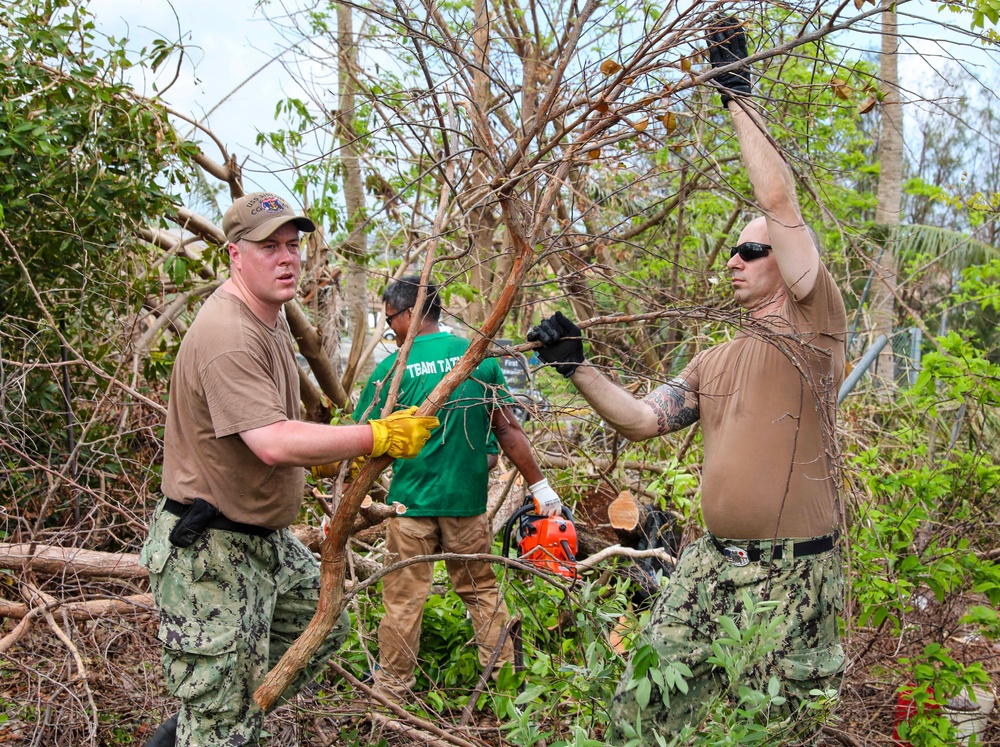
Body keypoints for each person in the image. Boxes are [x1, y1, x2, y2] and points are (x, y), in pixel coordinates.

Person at [527, 18, 847, 744]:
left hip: (790, 580)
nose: (734, 260)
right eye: (731, 251)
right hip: (709, 567)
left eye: (750, 249)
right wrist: (577, 365)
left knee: (772, 732)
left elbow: (780, 203)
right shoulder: (717, 357)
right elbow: (641, 419)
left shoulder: (815, 326)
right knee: (640, 711)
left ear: (785, 262)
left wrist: (737, 95)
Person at [139, 192, 438, 747]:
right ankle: (214, 718)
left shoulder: (269, 318)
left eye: (293, 245)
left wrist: (321, 459)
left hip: (261, 541)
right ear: (234, 254)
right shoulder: (228, 334)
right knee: (221, 715)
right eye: (269, 247)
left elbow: (272, 428)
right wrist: (376, 434)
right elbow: (273, 441)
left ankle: (211, 716)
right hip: (210, 549)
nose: (287, 258)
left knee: (318, 626)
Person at [354, 275, 563, 702]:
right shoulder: (476, 358)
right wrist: (540, 486)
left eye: (391, 318)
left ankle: (392, 693)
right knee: (482, 591)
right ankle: (507, 689)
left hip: (407, 508)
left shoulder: (390, 371)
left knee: (403, 600)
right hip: (466, 507)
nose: (391, 328)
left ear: (409, 314)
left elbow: (360, 439)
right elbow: (507, 431)